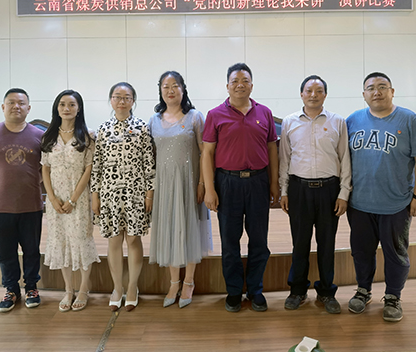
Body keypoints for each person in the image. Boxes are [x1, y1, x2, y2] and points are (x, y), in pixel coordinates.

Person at [346, 72, 416, 322]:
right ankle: (363, 290)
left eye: (382, 86)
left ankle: (393, 296)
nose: (377, 92)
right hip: (359, 203)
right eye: (371, 88)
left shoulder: (409, 120)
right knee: (361, 251)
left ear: (392, 92)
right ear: (364, 95)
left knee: (395, 253)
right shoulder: (352, 120)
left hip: (396, 203)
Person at [202, 63, 279, 313]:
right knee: (230, 241)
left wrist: (274, 182)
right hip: (227, 184)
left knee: (259, 240)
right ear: (227, 86)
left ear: (251, 85)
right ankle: (234, 290)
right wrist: (210, 189)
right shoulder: (215, 115)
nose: (240, 85)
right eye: (235, 81)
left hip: (258, 182)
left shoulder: (264, 113)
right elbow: (207, 153)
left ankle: (255, 289)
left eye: (245, 80)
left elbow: (272, 149)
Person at [279, 75, 352, 314]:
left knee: (327, 243)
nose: (313, 95)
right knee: (300, 243)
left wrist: (344, 193)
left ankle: (327, 292)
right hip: (299, 189)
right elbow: (284, 159)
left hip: (329, 190)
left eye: (318, 91)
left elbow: (345, 159)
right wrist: (284, 191)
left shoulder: (338, 121)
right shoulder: (289, 122)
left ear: (325, 95)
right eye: (309, 90)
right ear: (301, 94)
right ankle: (297, 290)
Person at [0, 88, 44, 313]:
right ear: (3, 107)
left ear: (29, 108)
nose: (16, 106)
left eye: (21, 103)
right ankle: (11, 289)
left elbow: (46, 169)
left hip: (31, 204)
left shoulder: (39, 136)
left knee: (31, 250)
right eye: (11, 102)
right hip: (0, 205)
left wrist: (34, 183)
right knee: (6, 252)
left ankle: (32, 288)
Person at [148, 71, 212, 309]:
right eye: (165, 86)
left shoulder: (195, 117)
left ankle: (189, 282)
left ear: (183, 89)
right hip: (164, 185)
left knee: (189, 229)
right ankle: (174, 282)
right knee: (169, 231)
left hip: (189, 182)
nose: (170, 90)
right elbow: (151, 157)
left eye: (175, 85)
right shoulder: (153, 120)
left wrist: (202, 183)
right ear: (160, 90)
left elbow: (205, 153)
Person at [91, 82, 155, 312]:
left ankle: (132, 287)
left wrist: (149, 194)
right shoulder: (103, 129)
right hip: (109, 193)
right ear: (111, 100)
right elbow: (96, 165)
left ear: (133, 101)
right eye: (117, 96)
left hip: (135, 193)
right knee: (114, 240)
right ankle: (117, 288)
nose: (121, 101)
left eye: (126, 97)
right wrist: (95, 195)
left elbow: (149, 163)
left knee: (134, 240)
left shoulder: (142, 128)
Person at [41, 90, 101, 312]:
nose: (66, 108)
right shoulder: (48, 136)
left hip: (79, 198)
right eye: (62, 104)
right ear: (57, 108)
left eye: (72, 105)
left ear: (79, 108)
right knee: (61, 241)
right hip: (55, 199)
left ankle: (84, 288)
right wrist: (51, 198)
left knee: (81, 239)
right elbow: (45, 169)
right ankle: (68, 289)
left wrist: (73, 199)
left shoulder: (88, 136)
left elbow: (89, 169)